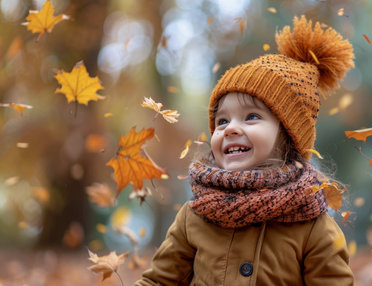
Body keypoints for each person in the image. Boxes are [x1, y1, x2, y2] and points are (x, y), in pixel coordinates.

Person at [134, 15, 354, 286]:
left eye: (251, 117)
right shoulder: (196, 215)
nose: (230, 129)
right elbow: (158, 282)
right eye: (222, 121)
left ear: (287, 134)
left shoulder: (311, 224)